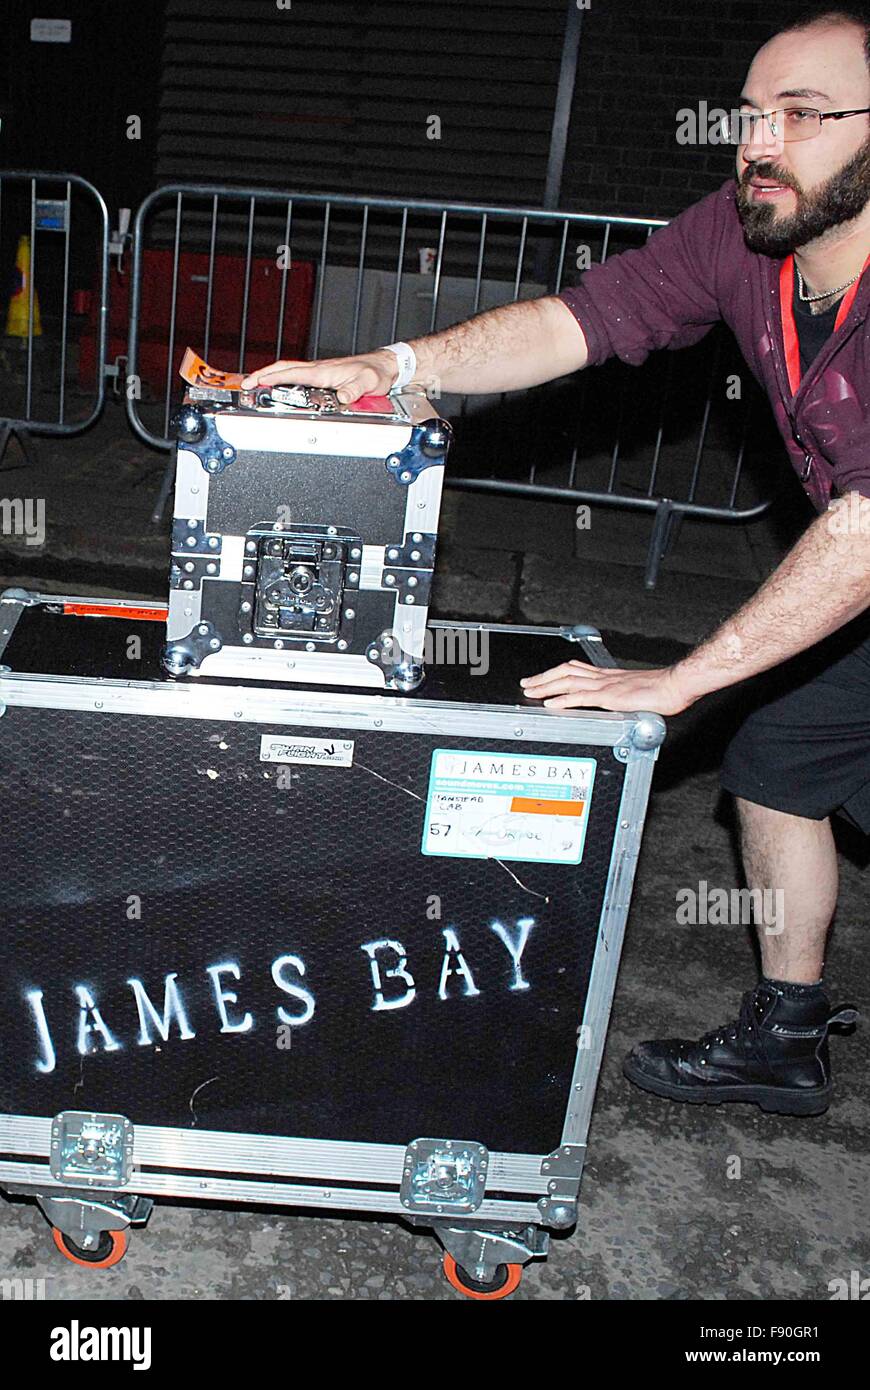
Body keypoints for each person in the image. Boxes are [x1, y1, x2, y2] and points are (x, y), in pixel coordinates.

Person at [243, 9, 870, 1117]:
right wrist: (388, 366)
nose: (761, 144)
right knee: (776, 763)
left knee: (753, 720)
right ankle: (787, 1034)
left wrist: (685, 678)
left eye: (805, 116)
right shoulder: (741, 234)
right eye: (750, 116)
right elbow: (584, 320)